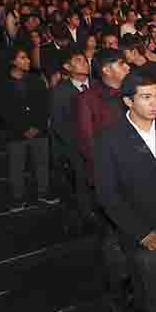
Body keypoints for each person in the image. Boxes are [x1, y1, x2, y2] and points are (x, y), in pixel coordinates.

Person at [93, 73, 156, 255]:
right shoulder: (108, 139)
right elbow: (107, 193)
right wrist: (141, 233)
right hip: (138, 234)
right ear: (128, 101)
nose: (155, 103)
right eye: (146, 97)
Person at [0, 49, 59, 211]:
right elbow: (4, 110)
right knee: (17, 167)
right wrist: (23, 128)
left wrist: (37, 126)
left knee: (42, 163)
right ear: (13, 61)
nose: (28, 61)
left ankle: (43, 192)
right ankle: (18, 197)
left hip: (39, 130)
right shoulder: (2, 83)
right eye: (23, 58)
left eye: (28, 58)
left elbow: (44, 105)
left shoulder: (36, 80)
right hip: (16, 132)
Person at [51, 50, 95, 225]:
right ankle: (88, 216)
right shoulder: (60, 91)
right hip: (77, 147)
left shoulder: (98, 85)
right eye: (78, 60)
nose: (84, 62)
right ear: (67, 67)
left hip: (102, 143)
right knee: (82, 183)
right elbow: (60, 124)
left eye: (85, 59)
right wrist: (80, 146)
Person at [77, 48, 131, 177]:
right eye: (121, 63)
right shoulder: (87, 98)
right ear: (106, 70)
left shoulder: (133, 91)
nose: (128, 67)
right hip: (107, 170)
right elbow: (87, 142)